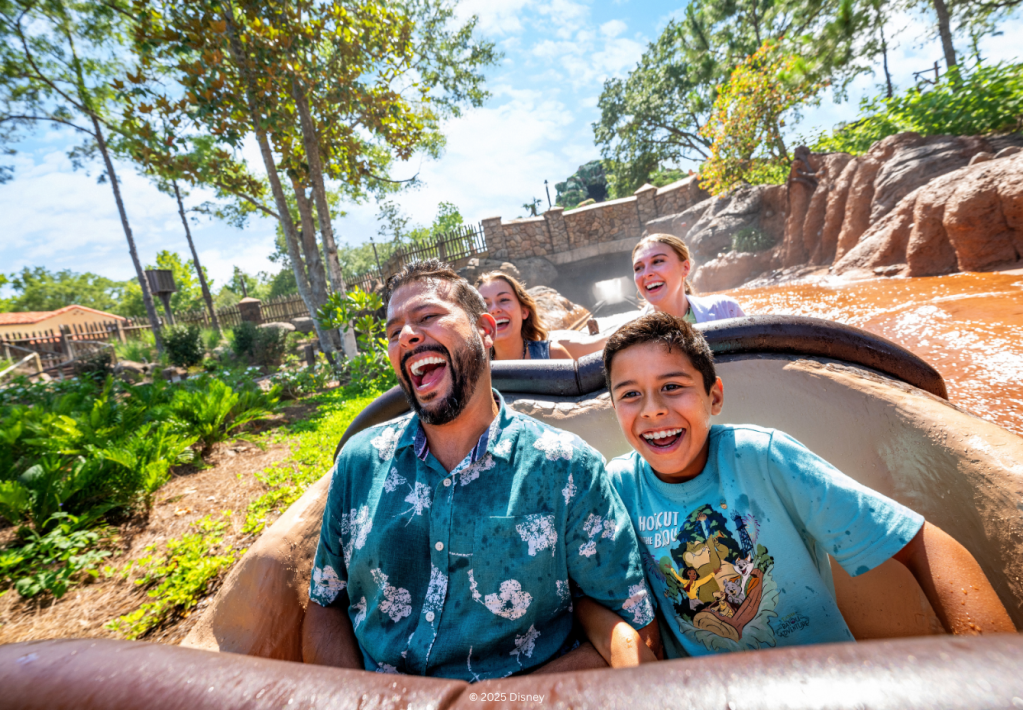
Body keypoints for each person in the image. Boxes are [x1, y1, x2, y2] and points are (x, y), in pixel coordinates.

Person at [577, 311, 1014, 660]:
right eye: (630, 395)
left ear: (714, 397)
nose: (652, 410)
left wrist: (995, 667)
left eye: (672, 386)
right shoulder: (617, 488)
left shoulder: (764, 458)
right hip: (708, 692)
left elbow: (920, 543)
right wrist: (624, 647)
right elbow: (584, 596)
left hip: (826, 682)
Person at [302, 259, 661, 680]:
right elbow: (326, 604)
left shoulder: (566, 468)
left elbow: (633, 630)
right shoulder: (359, 463)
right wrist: (355, 700)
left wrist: (494, 703)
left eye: (427, 317)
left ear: (485, 331)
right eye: (393, 331)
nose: (407, 336)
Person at [633, 234, 745, 323]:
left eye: (657, 261)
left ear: (685, 268)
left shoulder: (725, 310)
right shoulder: (627, 335)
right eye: (638, 268)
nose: (646, 273)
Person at [475, 271, 572, 360]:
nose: (494, 310)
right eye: (484, 304)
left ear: (524, 311)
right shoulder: (475, 370)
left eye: (504, 300)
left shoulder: (553, 355)